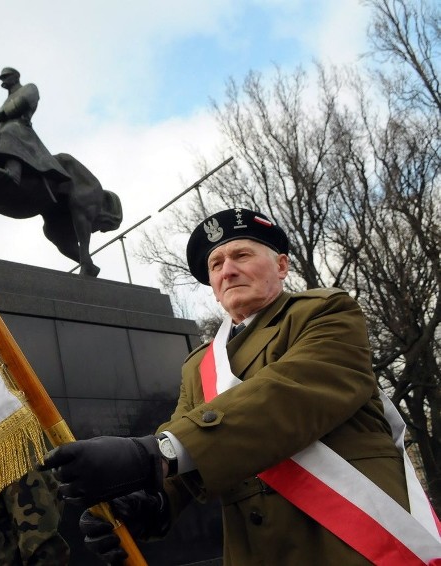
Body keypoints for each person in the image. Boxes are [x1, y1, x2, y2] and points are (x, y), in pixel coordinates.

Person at [41, 207, 441, 565]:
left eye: (241, 255)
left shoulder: (326, 312)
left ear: (282, 266)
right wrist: (151, 501)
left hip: (352, 539)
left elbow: (293, 392)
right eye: (215, 264)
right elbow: (186, 449)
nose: (226, 270)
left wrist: (152, 454)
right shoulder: (199, 365)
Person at [0, 67, 68, 187]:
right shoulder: (6, 100)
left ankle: (13, 173)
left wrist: (3, 113)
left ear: (16, 77)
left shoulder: (29, 88)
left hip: (20, 127)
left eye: (6, 76)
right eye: (2, 78)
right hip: (3, 129)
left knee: (9, 130)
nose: (3, 80)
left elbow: (24, 101)